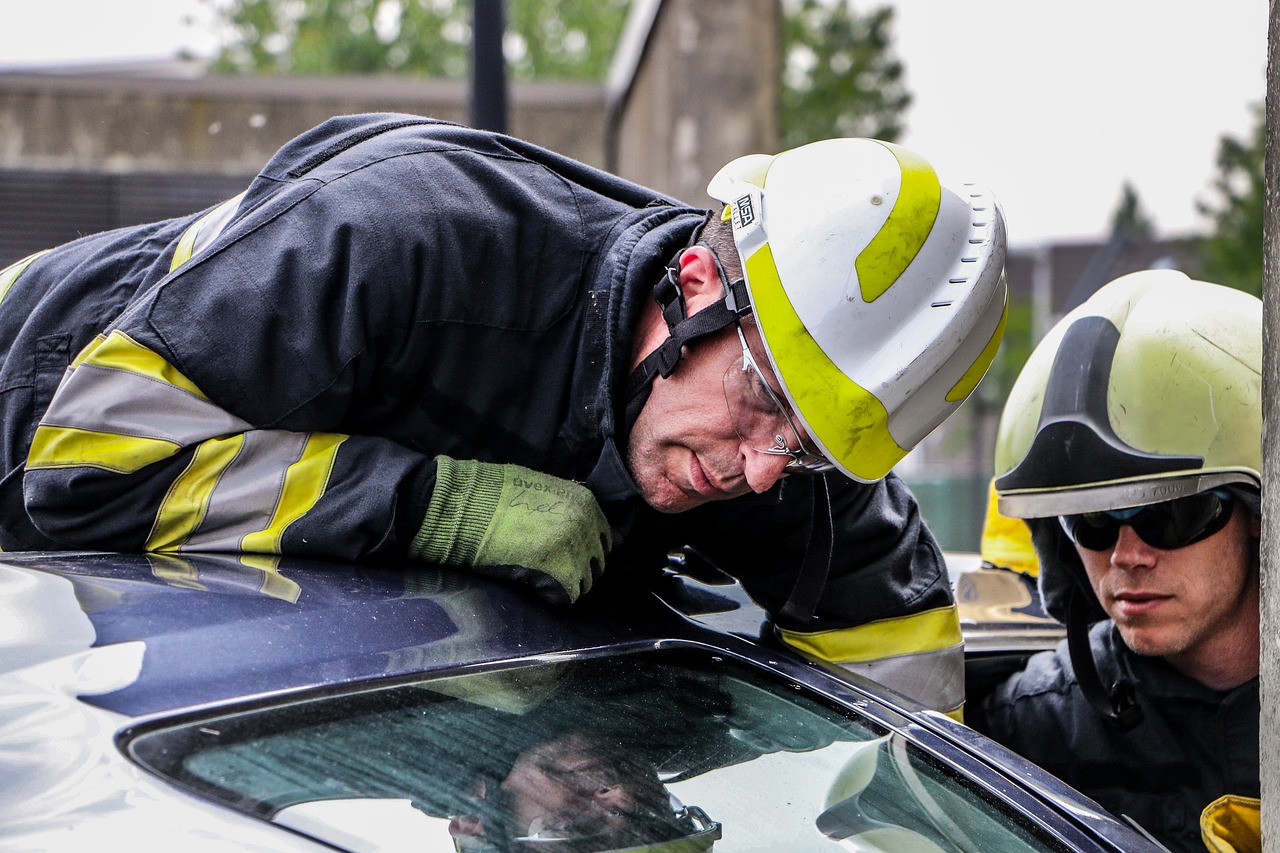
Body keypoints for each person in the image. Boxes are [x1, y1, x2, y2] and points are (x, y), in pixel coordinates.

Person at [0, 113, 1008, 715]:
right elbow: (91, 463)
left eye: (800, 452)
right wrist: (443, 505)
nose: (752, 473)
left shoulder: (767, 421)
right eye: (762, 409)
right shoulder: (411, 236)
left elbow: (896, 638)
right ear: (697, 282)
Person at [971, 270, 1260, 853]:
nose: (1127, 556)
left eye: (1170, 517)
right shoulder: (1033, 730)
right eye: (1092, 522)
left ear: (1262, 519)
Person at [447, 731, 720, 852]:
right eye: (649, 817)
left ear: (473, 818)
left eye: (576, 828)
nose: (620, 796)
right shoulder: (719, 717)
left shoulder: (418, 696)